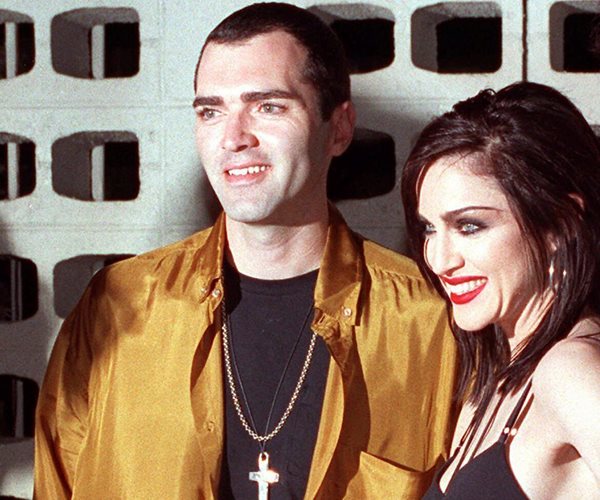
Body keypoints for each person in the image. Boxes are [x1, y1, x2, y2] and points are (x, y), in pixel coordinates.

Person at [34, 3, 457, 498]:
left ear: (339, 129)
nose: (233, 138)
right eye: (211, 112)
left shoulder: (427, 321)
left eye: (268, 106)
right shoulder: (118, 306)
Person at [401, 81, 600, 498]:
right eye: (429, 229)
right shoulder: (491, 381)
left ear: (559, 225)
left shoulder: (570, 371)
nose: (439, 260)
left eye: (469, 226)